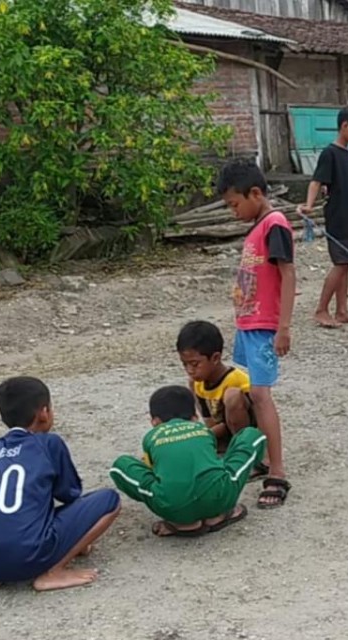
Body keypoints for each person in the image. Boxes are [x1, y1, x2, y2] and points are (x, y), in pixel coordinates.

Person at [0, 376, 121, 592]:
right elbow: (70, 494)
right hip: (27, 553)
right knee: (110, 501)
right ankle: (54, 572)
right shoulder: (48, 443)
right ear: (44, 413)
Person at [217, 159, 294, 508]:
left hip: (264, 325)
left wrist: (284, 328)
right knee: (249, 392)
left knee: (262, 396)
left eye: (235, 205)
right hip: (248, 324)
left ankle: (277, 472)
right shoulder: (258, 226)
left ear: (256, 193)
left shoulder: (274, 225)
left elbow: (288, 275)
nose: (234, 213)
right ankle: (260, 459)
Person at [109, 386, 266, 537]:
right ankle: (219, 516)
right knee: (252, 435)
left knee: (119, 466)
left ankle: (182, 524)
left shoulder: (151, 437)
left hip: (174, 507)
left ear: (155, 422)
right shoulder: (204, 431)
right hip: (220, 497)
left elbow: (153, 470)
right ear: (194, 418)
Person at [298, 105, 348, 328]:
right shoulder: (329, 153)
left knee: (346, 263)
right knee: (340, 263)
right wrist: (309, 205)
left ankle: (342, 310)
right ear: (344, 126)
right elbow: (316, 181)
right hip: (338, 219)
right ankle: (321, 310)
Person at [176, 319, 268, 478]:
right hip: (224, 432)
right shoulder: (198, 384)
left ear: (215, 358)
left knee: (232, 396)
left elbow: (259, 415)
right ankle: (226, 448)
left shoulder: (237, 380)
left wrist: (206, 435)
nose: (189, 370)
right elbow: (210, 420)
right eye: (185, 365)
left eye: (195, 364)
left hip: (249, 432)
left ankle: (246, 455)